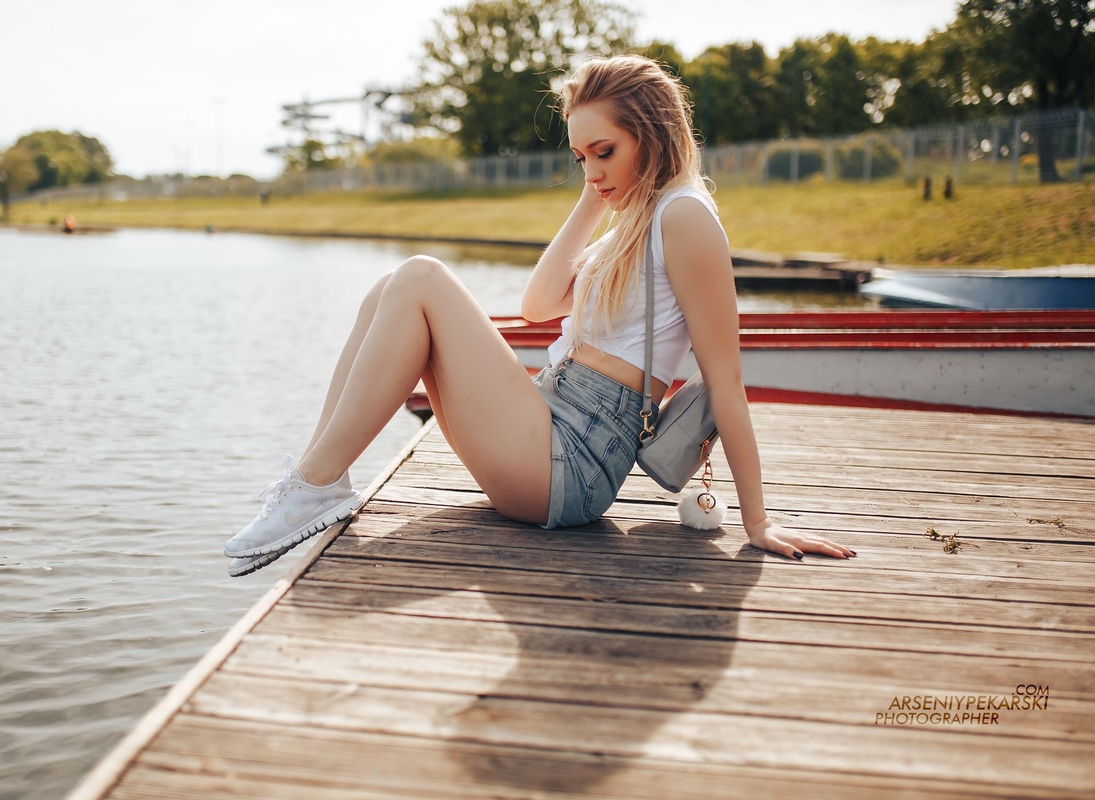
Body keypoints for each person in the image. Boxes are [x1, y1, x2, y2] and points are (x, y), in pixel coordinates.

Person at [223, 54, 856, 577]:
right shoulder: (633, 222)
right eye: (581, 158)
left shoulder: (684, 217)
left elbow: (727, 380)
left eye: (604, 151)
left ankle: (313, 485)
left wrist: (757, 521)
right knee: (390, 286)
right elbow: (537, 305)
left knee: (419, 277)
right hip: (547, 426)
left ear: (654, 134)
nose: (593, 171)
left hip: (572, 465)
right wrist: (596, 194)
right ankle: (319, 481)